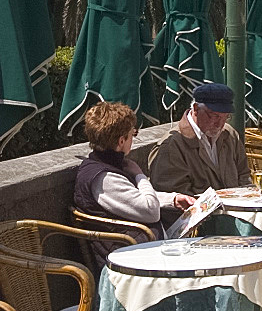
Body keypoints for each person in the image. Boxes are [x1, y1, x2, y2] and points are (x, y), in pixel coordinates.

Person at [74, 102, 196, 267]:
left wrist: (172, 199)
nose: (133, 138)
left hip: (138, 247)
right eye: (133, 134)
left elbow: (130, 198)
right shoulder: (104, 178)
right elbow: (150, 211)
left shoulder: (106, 165)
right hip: (129, 257)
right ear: (121, 140)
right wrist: (139, 174)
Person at [149, 83, 252, 197]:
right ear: (196, 109)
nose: (219, 124)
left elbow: (244, 175)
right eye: (214, 116)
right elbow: (174, 198)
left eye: (225, 117)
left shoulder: (229, 134)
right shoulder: (171, 146)